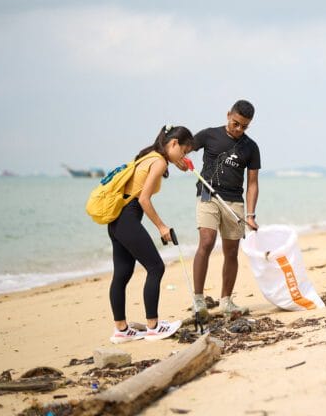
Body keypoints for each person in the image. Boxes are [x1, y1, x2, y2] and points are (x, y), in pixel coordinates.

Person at [107, 125, 194, 344]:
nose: (183, 156)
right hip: (127, 217)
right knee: (156, 267)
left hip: (116, 220)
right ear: (173, 144)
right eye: (183, 151)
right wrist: (162, 227)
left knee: (123, 272)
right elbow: (144, 199)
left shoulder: (149, 156)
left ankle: (121, 330)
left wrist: (179, 164)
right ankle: (154, 326)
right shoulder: (159, 161)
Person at [191, 100, 260, 319]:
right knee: (207, 241)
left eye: (244, 127)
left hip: (234, 202)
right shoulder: (209, 135)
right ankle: (199, 301)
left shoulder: (251, 147)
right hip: (207, 195)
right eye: (235, 123)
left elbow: (252, 184)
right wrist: (180, 160)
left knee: (231, 252)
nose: (239, 129)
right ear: (228, 114)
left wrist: (250, 214)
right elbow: (182, 149)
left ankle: (226, 302)